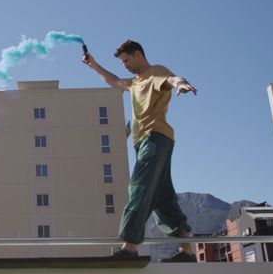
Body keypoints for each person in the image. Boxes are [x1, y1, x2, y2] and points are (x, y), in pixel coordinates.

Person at [83, 40, 198, 262]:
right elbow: (114, 81)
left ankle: (130, 248)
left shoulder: (155, 72)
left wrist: (181, 84)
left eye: (126, 60)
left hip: (154, 138)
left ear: (138, 54)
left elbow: (172, 78)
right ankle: (187, 250)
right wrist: (94, 66)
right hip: (147, 142)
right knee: (162, 198)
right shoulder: (136, 83)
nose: (124, 65)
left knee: (139, 187)